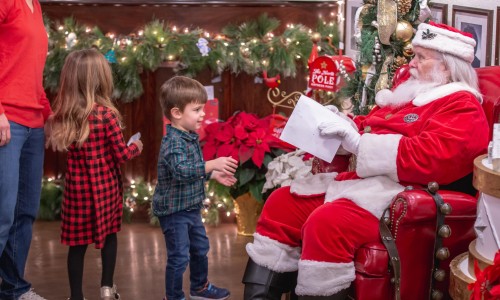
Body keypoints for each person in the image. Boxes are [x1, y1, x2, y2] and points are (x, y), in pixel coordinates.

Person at [242, 22, 489, 299]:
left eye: (421, 57)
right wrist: (340, 124)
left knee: (327, 224)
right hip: (362, 184)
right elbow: (370, 125)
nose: (412, 64)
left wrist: (359, 144)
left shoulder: (463, 106)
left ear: (447, 66)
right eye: (414, 56)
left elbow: (434, 158)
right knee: (282, 203)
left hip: (397, 194)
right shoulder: (412, 95)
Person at [45, 49, 143, 300]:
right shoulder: (107, 115)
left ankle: (76, 296)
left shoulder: (65, 115)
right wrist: (136, 147)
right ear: (101, 78)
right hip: (105, 190)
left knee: (76, 247)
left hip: (77, 192)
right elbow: (121, 155)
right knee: (110, 237)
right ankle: (107, 289)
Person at [153, 76, 238, 300]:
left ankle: (199, 288)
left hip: (190, 208)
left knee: (200, 248)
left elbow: (192, 170)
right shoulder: (173, 142)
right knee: (179, 257)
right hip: (174, 212)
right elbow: (182, 171)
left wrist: (213, 174)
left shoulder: (188, 136)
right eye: (197, 109)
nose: (203, 114)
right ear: (177, 113)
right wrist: (212, 163)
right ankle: (173, 296)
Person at [0, 0, 52, 299]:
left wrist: (48, 115)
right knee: (3, 214)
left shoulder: (36, 5)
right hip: (7, 121)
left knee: (24, 213)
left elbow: (30, 73)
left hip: (32, 124)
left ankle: (13, 288)